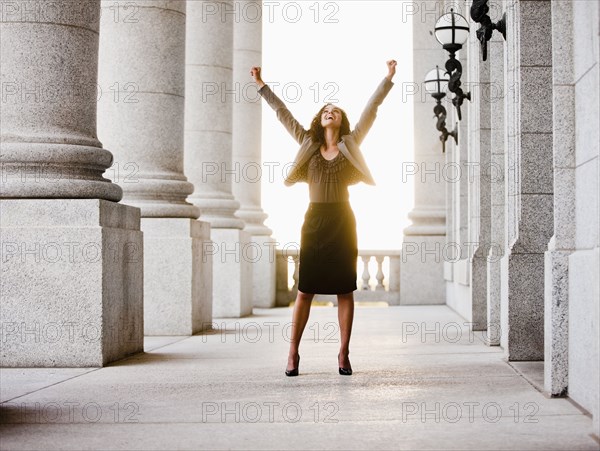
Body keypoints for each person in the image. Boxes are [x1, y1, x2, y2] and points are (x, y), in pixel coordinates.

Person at [250, 61, 397, 376]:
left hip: (343, 220)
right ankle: (293, 353)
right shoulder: (308, 144)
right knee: (305, 289)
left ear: (341, 121)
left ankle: (343, 353)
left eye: (337, 110)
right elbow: (283, 114)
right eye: (326, 109)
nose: (331, 112)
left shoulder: (350, 144)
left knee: (345, 289)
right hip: (314, 221)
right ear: (319, 119)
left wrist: (387, 79)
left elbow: (371, 111)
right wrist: (262, 85)